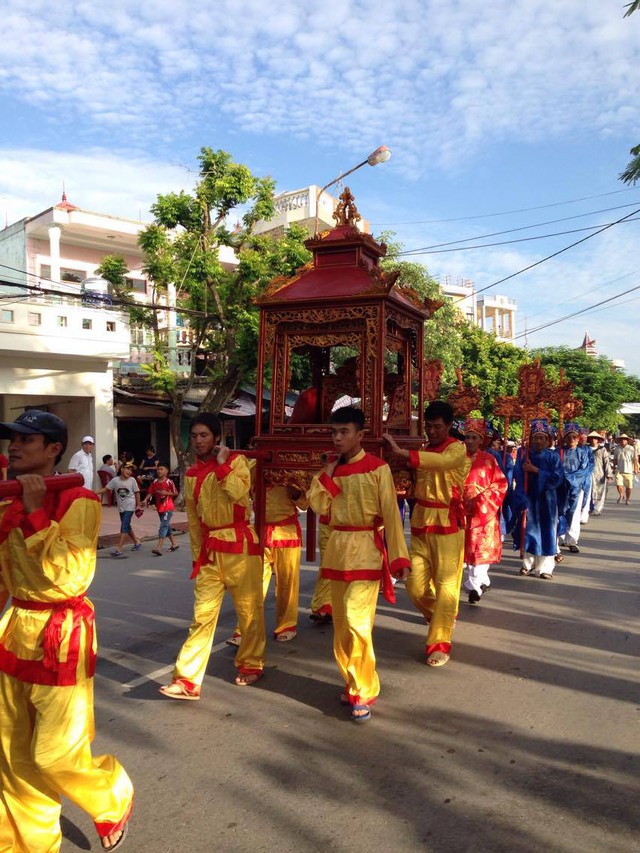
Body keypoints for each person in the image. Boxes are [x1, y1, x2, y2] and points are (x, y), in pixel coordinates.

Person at [0, 410, 133, 852]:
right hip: (16, 626)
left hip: (61, 632)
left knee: (55, 754)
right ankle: (29, 844)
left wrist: (37, 513)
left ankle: (112, 796)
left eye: (26, 439)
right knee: (14, 753)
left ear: (54, 448)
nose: (14, 446)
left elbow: (71, 576)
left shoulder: (80, 501)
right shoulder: (7, 500)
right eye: (11, 439)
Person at [308, 406, 410, 722]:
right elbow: (316, 505)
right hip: (338, 549)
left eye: (344, 432)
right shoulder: (331, 470)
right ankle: (353, 682)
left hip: (366, 548)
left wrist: (398, 557)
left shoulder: (378, 469)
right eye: (334, 433)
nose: (337, 439)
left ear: (360, 434)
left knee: (356, 620)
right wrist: (328, 472)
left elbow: (392, 515)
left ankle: (364, 687)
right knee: (342, 626)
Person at [160, 413, 266, 699]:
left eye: (204, 435)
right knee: (201, 616)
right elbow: (194, 521)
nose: (198, 440)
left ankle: (251, 662)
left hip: (240, 546)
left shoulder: (237, 463)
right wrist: (197, 557)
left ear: (216, 438)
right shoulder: (192, 474)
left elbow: (240, 493)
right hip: (210, 552)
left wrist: (221, 467)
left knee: (249, 612)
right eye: (194, 435)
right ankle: (187, 680)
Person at [384, 400, 469, 668]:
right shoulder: (423, 449)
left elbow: (441, 463)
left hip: (448, 523)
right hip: (422, 519)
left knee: (446, 586)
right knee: (413, 584)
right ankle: (442, 616)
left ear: (449, 426)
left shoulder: (457, 449)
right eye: (429, 427)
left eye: (437, 427)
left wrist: (401, 452)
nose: (432, 431)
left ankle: (439, 643)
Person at [460, 419, 508, 604]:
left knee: (480, 550)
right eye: (467, 437)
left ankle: (474, 586)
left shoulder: (489, 460)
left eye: (474, 437)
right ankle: (480, 582)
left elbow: (500, 484)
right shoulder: (457, 458)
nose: (470, 441)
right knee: (466, 550)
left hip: (484, 512)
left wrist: (483, 502)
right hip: (462, 511)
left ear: (481, 440)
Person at [510, 419, 565, 579]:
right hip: (529, 498)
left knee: (547, 532)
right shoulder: (524, 455)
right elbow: (518, 477)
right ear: (531, 439)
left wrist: (536, 471)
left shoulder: (553, 457)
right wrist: (521, 498)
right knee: (528, 530)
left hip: (547, 500)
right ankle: (527, 564)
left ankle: (545, 568)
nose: (538, 440)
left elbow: (557, 478)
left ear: (548, 440)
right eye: (535, 437)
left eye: (542, 437)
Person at [557, 424, 591, 554]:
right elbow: (555, 468)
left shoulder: (582, 453)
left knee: (574, 514)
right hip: (560, 487)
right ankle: (557, 540)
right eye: (568, 437)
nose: (571, 439)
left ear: (578, 439)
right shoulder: (559, 452)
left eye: (574, 437)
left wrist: (569, 479)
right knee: (559, 512)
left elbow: (584, 470)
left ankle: (571, 540)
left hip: (576, 487)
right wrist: (561, 478)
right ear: (564, 439)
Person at [96, 463, 142, 557]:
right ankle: (137, 542)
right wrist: (93, 493)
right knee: (127, 525)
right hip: (121, 506)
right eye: (127, 469)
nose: (129, 471)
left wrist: (138, 504)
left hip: (130, 505)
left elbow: (137, 493)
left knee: (124, 525)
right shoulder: (115, 480)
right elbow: (105, 489)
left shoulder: (132, 480)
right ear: (121, 469)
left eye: (130, 470)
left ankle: (119, 548)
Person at [142, 463, 180, 555]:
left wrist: (167, 493)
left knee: (163, 526)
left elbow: (175, 493)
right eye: (158, 469)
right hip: (159, 507)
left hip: (168, 507)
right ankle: (174, 544)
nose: (159, 471)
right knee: (166, 526)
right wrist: (145, 500)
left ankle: (158, 548)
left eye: (161, 469)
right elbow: (151, 492)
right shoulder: (155, 482)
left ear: (166, 471)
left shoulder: (169, 482)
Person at [587, 432, 613, 515]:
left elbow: (606, 462)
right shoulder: (586, 449)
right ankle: (588, 508)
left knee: (600, 491)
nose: (593, 440)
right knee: (589, 491)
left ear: (598, 440)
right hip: (588, 473)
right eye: (591, 438)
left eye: (595, 438)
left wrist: (608, 474)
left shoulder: (602, 449)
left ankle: (598, 508)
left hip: (599, 473)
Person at [613, 434, 638, 505]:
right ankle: (621, 495)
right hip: (619, 470)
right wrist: (614, 467)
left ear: (627, 441)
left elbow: (635, 459)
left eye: (624, 439)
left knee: (629, 486)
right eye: (621, 439)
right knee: (618, 484)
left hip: (629, 470)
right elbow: (615, 459)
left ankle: (628, 499)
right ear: (619, 441)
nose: (623, 441)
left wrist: (636, 468)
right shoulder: (617, 449)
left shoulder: (631, 448)